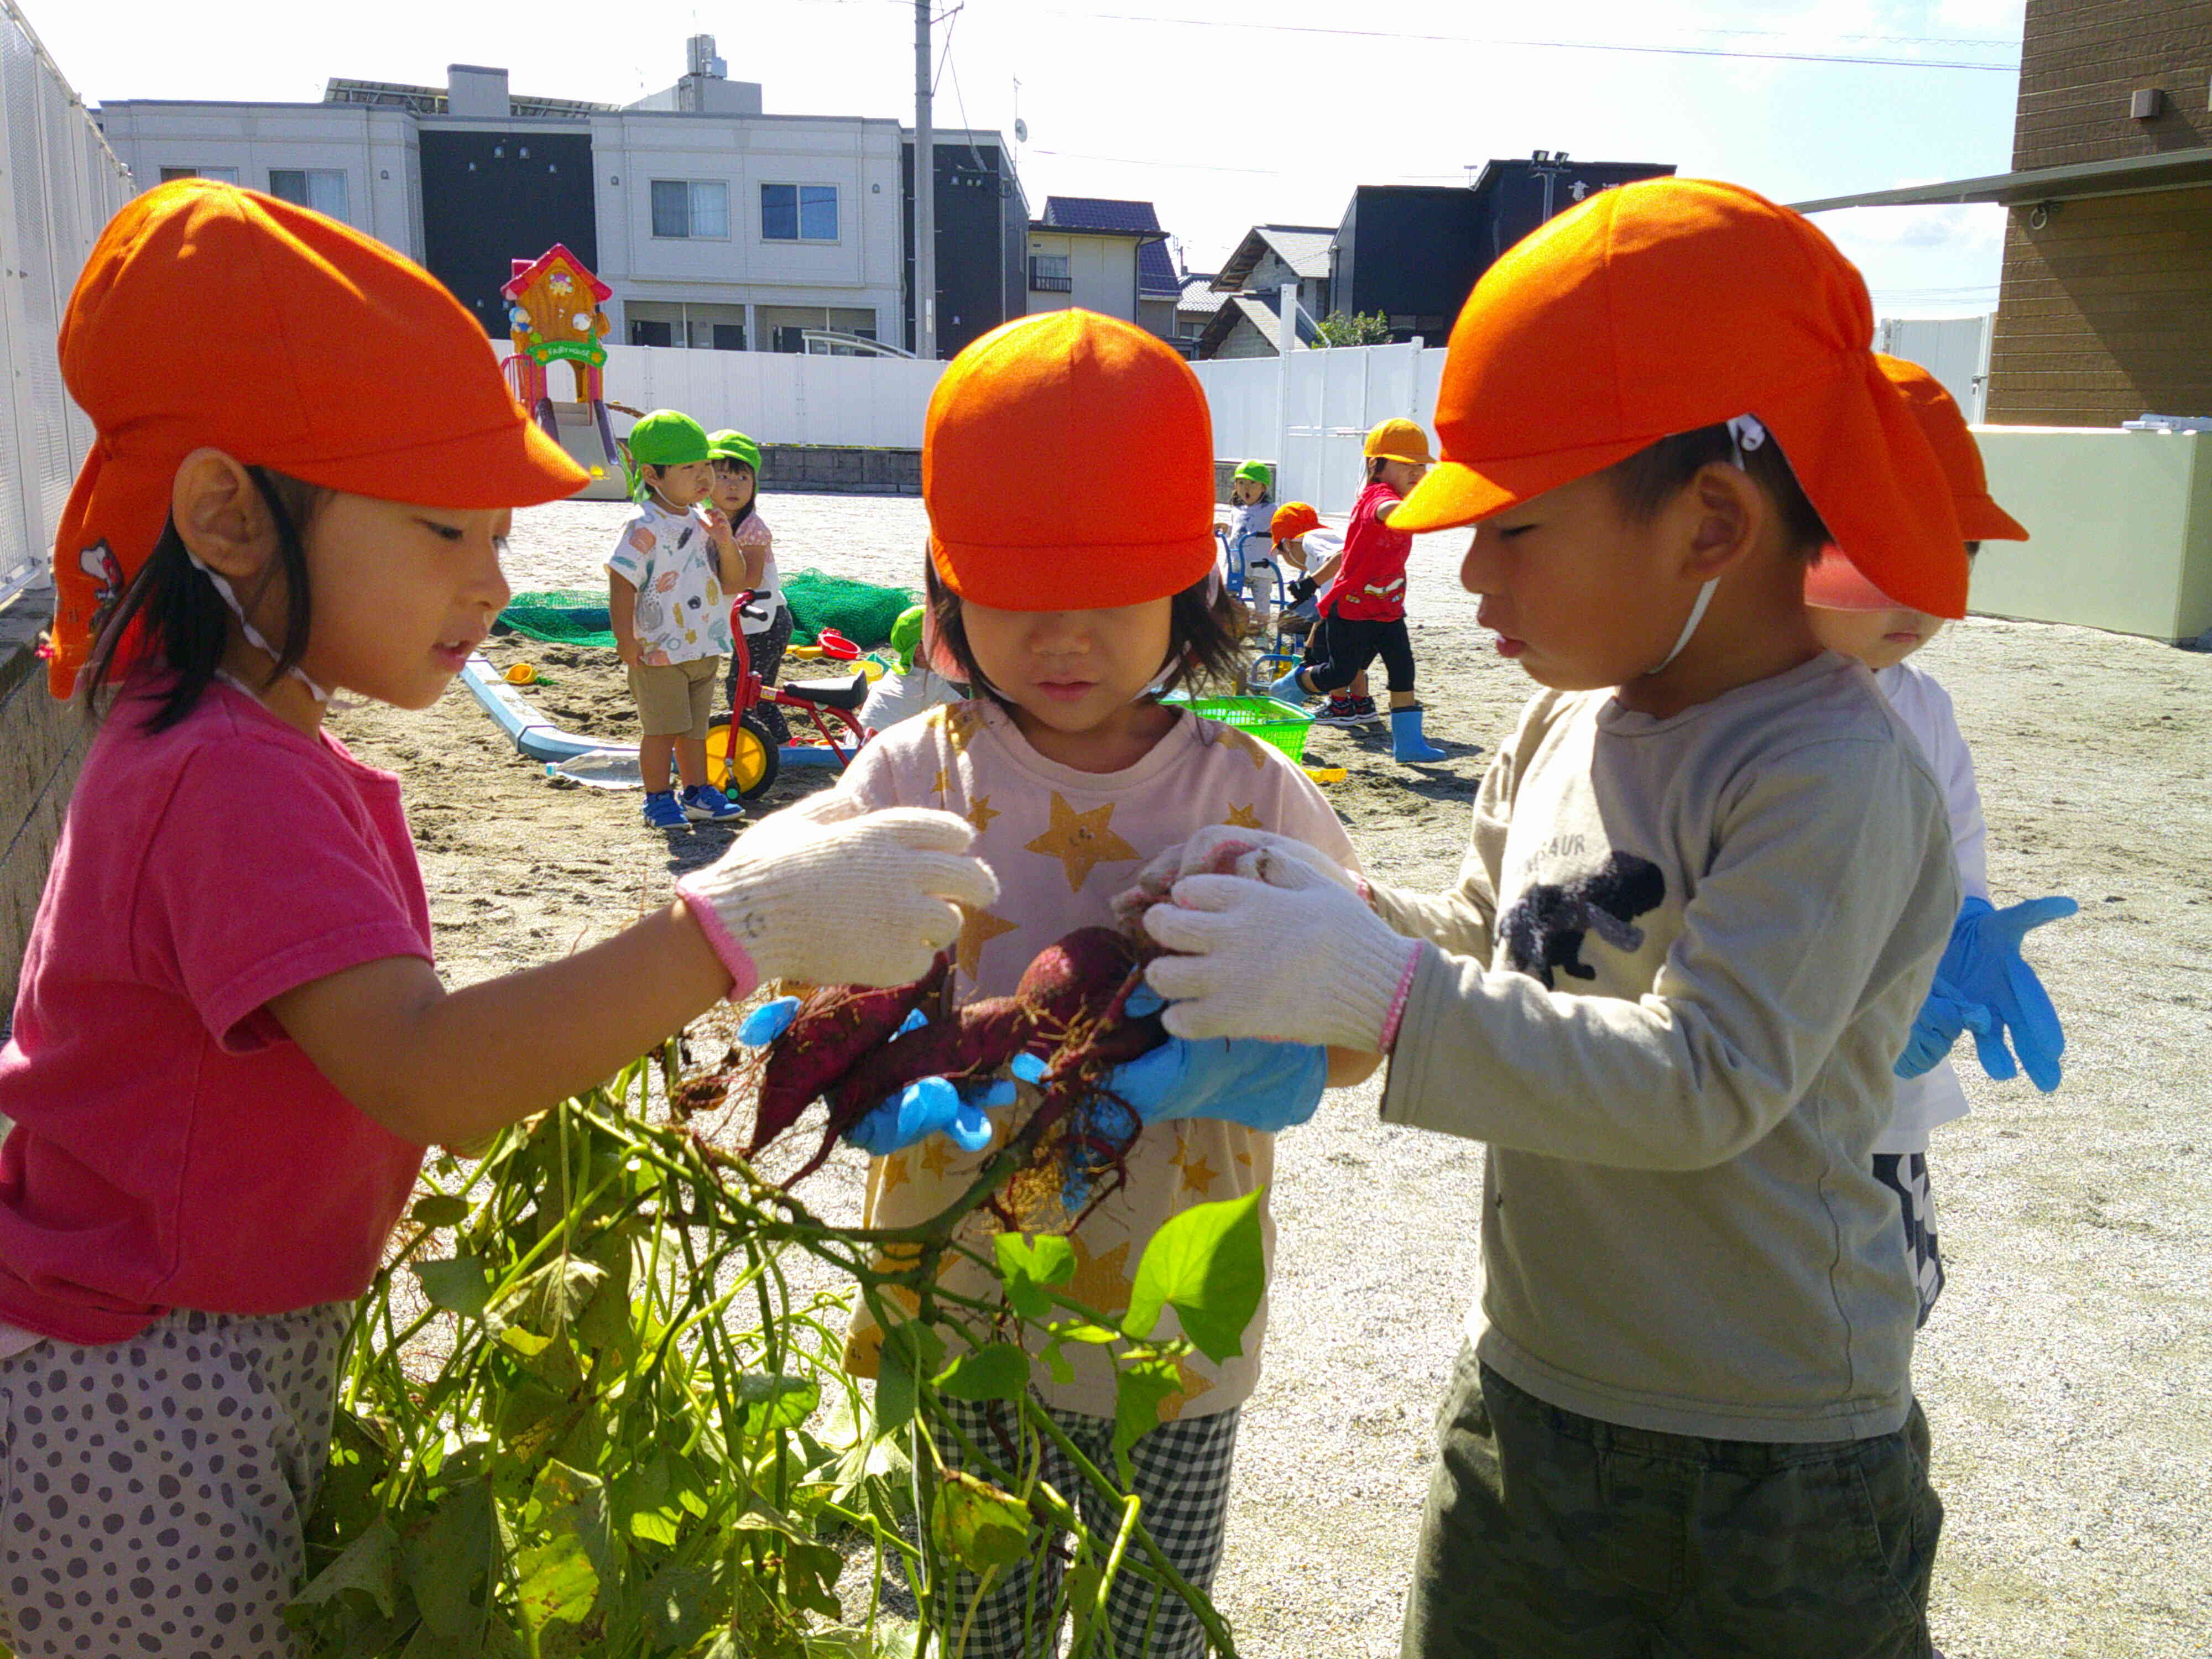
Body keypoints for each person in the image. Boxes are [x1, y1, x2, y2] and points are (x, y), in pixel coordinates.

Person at [0, 179, 996, 1659]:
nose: (490, 585)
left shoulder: (235, 741)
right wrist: (734, 923)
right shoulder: (227, 777)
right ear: (228, 510)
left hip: (186, 1344)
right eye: (445, 532)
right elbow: (434, 1073)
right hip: (140, 1389)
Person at [1124, 179, 1974, 1658]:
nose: (1468, 574)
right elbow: (1473, 951)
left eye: (1516, 529)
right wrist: (1312, 907)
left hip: (1771, 1457)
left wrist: (1379, 993)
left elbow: (1709, 1081)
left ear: (1711, 523)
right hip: (1534, 1390)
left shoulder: (1833, 769)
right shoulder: (1558, 726)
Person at [830, 310, 1376, 1659]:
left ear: (1192, 590)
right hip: (952, 1287)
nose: (1063, 636)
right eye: (1017, 594)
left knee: (1151, 1622)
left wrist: (1271, 1043)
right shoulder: (910, 771)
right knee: (978, 1617)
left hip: (1164, 1320)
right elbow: (806, 961)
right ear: (951, 590)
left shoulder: (1250, 788)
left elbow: (1363, 1024)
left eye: (1114, 596)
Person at [1806, 352, 2075, 1328]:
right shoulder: (1714, 717)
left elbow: (1955, 864)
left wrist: (1960, 934)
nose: (1926, 600)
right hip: (1745, 1116)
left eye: (1956, 555)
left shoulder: (1922, 711)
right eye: (1888, 553)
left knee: (1876, 1316)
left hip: (1881, 1105)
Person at [1270, 419, 1446, 759]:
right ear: (1375, 465)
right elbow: (1386, 511)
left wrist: (1312, 581)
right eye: (1406, 465)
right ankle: (1289, 686)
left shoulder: (1402, 499)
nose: (1417, 473)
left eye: (1421, 466)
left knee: (1403, 669)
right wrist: (1415, 510)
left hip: (1389, 607)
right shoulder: (1376, 497)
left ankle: (1408, 745)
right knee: (1342, 672)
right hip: (1351, 608)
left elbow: (1344, 553)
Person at [608, 409, 747, 826]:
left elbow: (732, 582)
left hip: (703, 643)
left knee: (694, 730)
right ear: (652, 475)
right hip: (658, 649)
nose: (705, 477)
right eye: (690, 468)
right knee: (662, 729)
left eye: (707, 465)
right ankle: (657, 797)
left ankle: (698, 792)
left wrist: (725, 542)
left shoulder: (704, 521)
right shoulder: (642, 525)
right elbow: (621, 582)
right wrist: (624, 638)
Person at [705, 428, 793, 747]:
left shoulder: (752, 528)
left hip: (766, 622)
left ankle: (769, 745)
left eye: (743, 479)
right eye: (724, 477)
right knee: (755, 691)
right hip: (748, 622)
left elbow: (749, 580)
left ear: (754, 486)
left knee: (744, 691)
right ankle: (777, 742)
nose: (733, 486)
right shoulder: (706, 519)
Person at [1223, 458, 1280, 628]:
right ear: (1236, 487)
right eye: (1241, 483)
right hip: (1238, 565)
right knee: (1230, 597)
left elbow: (1280, 528)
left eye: (1252, 483)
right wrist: (1226, 529)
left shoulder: (1271, 510)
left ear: (1263, 487)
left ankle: (1262, 631)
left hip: (1262, 566)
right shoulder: (1236, 510)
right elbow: (1237, 530)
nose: (1246, 488)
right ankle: (1238, 626)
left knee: (1262, 602)